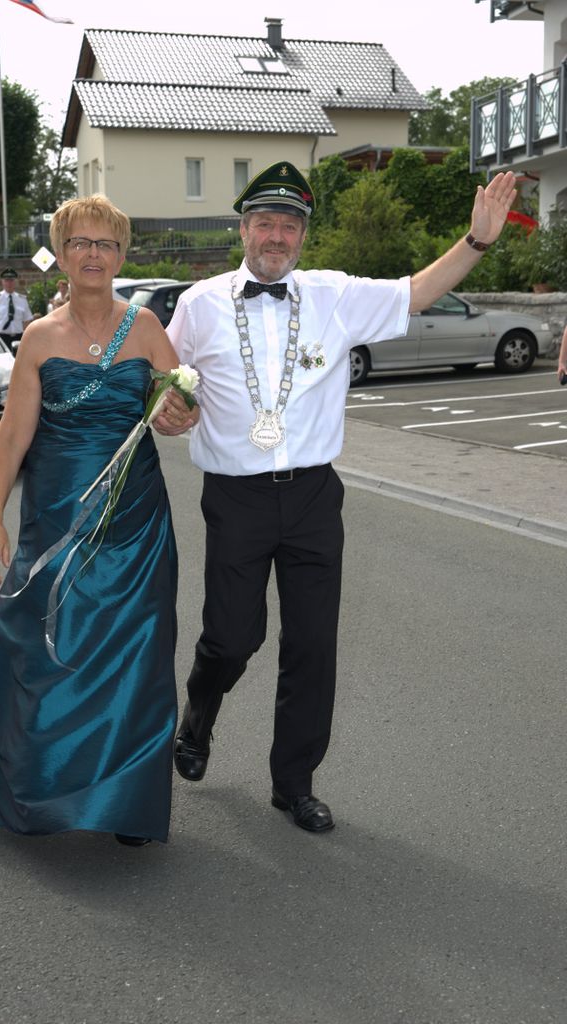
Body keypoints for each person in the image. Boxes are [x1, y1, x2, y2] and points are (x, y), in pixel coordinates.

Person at [156, 160, 517, 834]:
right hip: (235, 497)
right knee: (231, 639)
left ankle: (293, 784)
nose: (276, 235)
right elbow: (164, 384)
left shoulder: (336, 294)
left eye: (289, 225)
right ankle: (198, 715)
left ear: (302, 236)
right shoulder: (199, 304)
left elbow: (415, 293)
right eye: (265, 222)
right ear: (243, 229)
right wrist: (168, 411)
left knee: (313, 646)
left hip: (314, 497)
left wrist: (477, 241)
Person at [0, 195, 194, 846]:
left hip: (135, 523)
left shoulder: (146, 328)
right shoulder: (39, 337)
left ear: (122, 255)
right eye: (79, 242)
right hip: (55, 519)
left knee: (137, 654)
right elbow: (12, 436)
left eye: (105, 244)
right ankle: (29, 786)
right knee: (40, 649)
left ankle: (127, 802)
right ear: (59, 253)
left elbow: (177, 407)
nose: (93, 254)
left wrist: (181, 414)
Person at [0, 267, 33, 348]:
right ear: (2, 282)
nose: (9, 283)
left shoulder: (22, 299)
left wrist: (26, 337)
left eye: (11, 280)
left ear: (15, 282)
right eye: (6, 280)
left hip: (18, 337)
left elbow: (27, 321)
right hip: (1, 337)